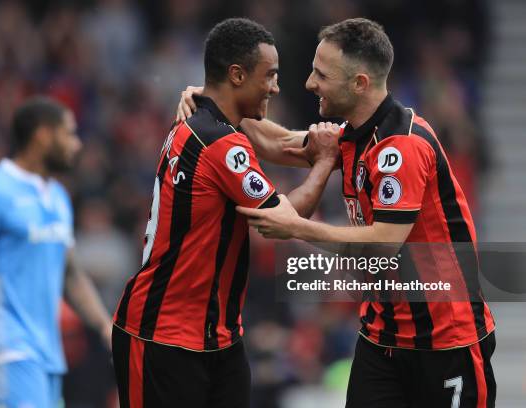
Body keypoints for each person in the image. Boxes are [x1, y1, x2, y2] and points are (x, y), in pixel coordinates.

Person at [178, 17, 496, 408]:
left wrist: (299, 226)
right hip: (382, 339)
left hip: (447, 341)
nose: (310, 83)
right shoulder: (350, 137)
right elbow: (278, 144)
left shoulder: (402, 147)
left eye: (321, 74)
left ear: (359, 83)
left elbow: (384, 244)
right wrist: (212, 98)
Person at [111, 18, 338, 408]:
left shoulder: (204, 119)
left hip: (218, 337)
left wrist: (336, 144)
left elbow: (283, 142)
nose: (276, 86)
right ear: (236, 75)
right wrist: (325, 160)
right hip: (163, 336)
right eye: (270, 75)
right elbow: (282, 221)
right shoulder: (218, 142)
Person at [0, 97, 113, 407]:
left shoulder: (57, 197)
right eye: (69, 134)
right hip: (4, 350)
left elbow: (70, 275)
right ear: (42, 135)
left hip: (48, 357)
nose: (77, 144)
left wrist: (104, 325)